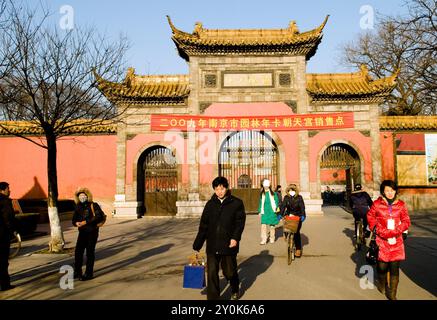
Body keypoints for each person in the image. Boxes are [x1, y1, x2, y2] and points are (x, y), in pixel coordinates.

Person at [193, 177, 246, 300]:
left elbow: (239, 223)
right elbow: (204, 225)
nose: (219, 192)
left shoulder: (236, 203)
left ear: (226, 188)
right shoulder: (210, 204)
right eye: (217, 189)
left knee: (229, 272)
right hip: (212, 244)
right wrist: (198, 243)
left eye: (222, 188)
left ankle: (234, 287)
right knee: (211, 273)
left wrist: (235, 238)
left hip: (229, 244)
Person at [367, 180, 410, 300]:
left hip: (396, 240)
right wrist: (376, 228)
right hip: (381, 240)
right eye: (387, 190)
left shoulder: (401, 205)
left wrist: (398, 230)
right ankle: (382, 283)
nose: (390, 193)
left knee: (394, 267)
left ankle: (392, 294)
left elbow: (406, 220)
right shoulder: (376, 204)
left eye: (392, 190)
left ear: (395, 191)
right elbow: (370, 216)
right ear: (383, 192)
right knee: (382, 267)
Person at [72, 188, 106, 281]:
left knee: (90, 253)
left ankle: (88, 273)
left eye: (84, 196)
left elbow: (99, 217)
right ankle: (77, 272)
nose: (82, 197)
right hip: (82, 233)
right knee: (78, 252)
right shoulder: (78, 206)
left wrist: (85, 222)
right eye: (80, 196)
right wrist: (76, 223)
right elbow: (73, 220)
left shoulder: (93, 205)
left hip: (92, 232)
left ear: (87, 196)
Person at [280, 184, 306, 257]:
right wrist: (280, 214)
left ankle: (298, 249)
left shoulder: (299, 198)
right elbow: (283, 206)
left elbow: (302, 207)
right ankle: (287, 237)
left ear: (296, 191)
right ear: (288, 191)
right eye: (290, 190)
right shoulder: (286, 197)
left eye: (293, 190)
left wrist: (303, 215)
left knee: (296, 233)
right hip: (289, 216)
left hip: (298, 216)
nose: (291, 191)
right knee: (286, 228)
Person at [0, 182, 17, 291]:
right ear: (2, 190)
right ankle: (5, 284)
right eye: (8, 188)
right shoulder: (5, 202)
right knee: (3, 260)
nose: (9, 190)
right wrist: (13, 231)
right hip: (2, 235)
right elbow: (8, 218)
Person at [258, 179, 280, 245]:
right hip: (264, 211)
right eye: (265, 185)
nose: (266, 187)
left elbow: (276, 201)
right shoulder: (262, 193)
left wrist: (276, 208)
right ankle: (264, 239)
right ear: (263, 186)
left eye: (267, 185)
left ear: (269, 186)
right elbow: (260, 203)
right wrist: (259, 211)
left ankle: (272, 238)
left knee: (272, 226)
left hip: (272, 211)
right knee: (263, 225)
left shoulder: (273, 193)